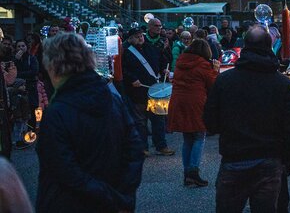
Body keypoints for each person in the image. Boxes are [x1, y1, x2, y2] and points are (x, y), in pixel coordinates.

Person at [36, 33, 144, 212]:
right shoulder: (113, 100)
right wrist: (122, 195)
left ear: (53, 65)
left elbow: (64, 170)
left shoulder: (56, 113)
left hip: (68, 204)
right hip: (114, 201)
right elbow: (134, 150)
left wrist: (109, 196)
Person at [204, 25, 290, 212]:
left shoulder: (225, 80)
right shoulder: (281, 83)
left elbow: (210, 121)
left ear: (245, 45)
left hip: (235, 156)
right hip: (269, 158)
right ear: (268, 46)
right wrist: (287, 158)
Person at [168, 39, 219, 187]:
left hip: (178, 102)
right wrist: (215, 70)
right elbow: (212, 86)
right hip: (196, 103)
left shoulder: (180, 62)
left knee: (187, 138)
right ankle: (193, 173)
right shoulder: (203, 65)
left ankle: (187, 173)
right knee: (199, 136)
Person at [122, 27, 174, 156]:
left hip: (155, 90)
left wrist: (164, 69)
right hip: (138, 92)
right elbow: (123, 69)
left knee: (159, 119)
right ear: (130, 38)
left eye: (141, 35)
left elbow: (163, 60)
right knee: (141, 121)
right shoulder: (126, 52)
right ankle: (142, 148)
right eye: (137, 36)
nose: (140, 38)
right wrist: (132, 79)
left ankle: (161, 146)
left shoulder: (150, 47)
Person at [13, 40, 39, 132]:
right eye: (18, 46)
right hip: (19, 87)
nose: (21, 48)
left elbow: (34, 71)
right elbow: (12, 73)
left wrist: (19, 74)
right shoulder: (14, 59)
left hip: (30, 86)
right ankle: (21, 133)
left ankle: (31, 131)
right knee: (21, 109)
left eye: (23, 46)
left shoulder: (31, 58)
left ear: (26, 47)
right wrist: (16, 60)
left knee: (32, 108)